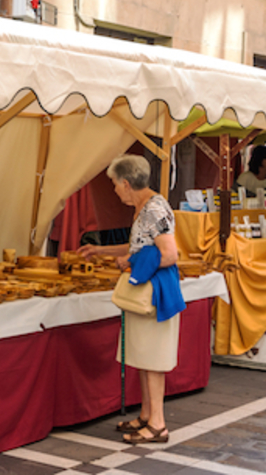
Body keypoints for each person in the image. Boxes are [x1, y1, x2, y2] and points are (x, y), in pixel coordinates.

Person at [78, 155, 183, 444]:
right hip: (145, 294)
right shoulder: (145, 208)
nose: (114, 190)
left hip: (155, 294)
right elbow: (139, 246)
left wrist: (131, 265)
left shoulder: (153, 209)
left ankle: (158, 425)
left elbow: (169, 254)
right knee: (142, 356)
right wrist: (102, 252)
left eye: (114, 184)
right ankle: (147, 416)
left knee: (152, 359)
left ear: (126, 183)